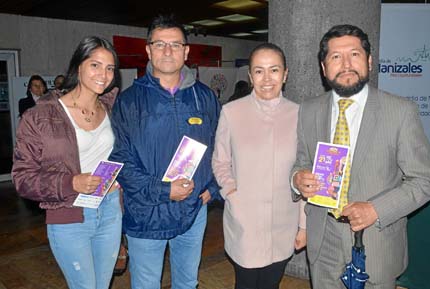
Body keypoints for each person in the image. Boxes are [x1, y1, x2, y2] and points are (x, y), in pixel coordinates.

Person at [291, 24, 430, 289]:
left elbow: (424, 181)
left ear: (369, 61)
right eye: (336, 57)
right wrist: (297, 179)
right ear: (324, 68)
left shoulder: (400, 112)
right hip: (323, 243)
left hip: (376, 245)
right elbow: (302, 160)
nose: (346, 64)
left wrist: (375, 210)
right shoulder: (309, 111)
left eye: (355, 54)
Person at [108, 14, 221, 289]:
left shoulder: (204, 97)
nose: (168, 51)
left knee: (187, 282)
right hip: (147, 214)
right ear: (148, 50)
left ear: (186, 51)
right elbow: (121, 160)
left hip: (193, 210)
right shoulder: (129, 101)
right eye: (160, 44)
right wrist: (164, 190)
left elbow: (222, 147)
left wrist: (213, 187)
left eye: (175, 44)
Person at [12, 36, 122, 289]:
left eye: (109, 68)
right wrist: (71, 182)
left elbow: (123, 150)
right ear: (78, 66)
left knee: (102, 285)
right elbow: (22, 179)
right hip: (69, 215)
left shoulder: (110, 106)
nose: (103, 74)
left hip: (110, 209)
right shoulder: (40, 115)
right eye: (95, 65)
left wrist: (121, 179)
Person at [212, 43, 306, 289]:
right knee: (246, 283)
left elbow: (305, 171)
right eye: (259, 71)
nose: (267, 79)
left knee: (271, 283)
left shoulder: (300, 114)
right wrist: (232, 193)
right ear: (250, 76)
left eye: (274, 70)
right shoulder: (232, 112)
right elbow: (220, 160)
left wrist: (304, 224)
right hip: (245, 219)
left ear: (285, 74)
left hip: (284, 221)